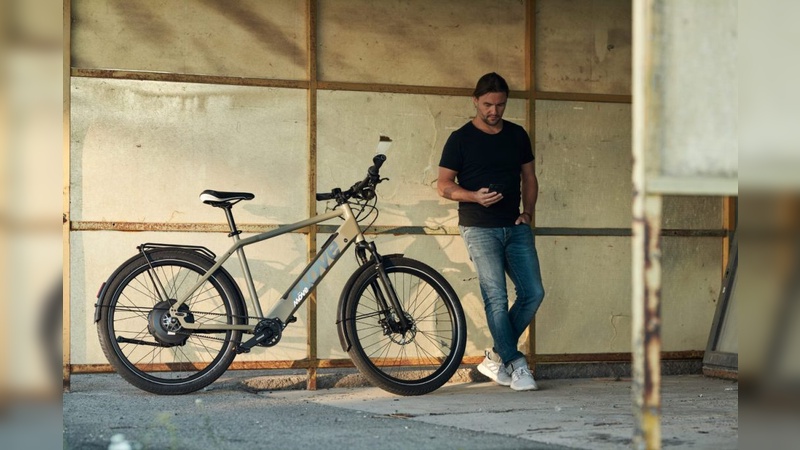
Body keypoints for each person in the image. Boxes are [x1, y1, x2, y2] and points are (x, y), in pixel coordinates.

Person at [437, 72, 545, 391]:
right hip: (478, 227)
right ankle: (516, 363)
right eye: (487, 104)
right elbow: (444, 186)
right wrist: (474, 196)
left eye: (500, 104)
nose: (494, 111)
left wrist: (528, 213)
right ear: (475, 100)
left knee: (533, 293)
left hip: (515, 225)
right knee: (496, 297)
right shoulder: (460, 139)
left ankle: (496, 357)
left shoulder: (517, 135)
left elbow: (529, 177)